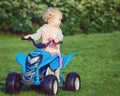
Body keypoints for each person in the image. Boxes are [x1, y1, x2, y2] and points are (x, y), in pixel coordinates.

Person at [24, 7, 63, 84]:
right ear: (51, 19)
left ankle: (57, 74)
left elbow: (60, 37)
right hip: (44, 51)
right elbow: (37, 35)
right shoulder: (43, 28)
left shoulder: (58, 30)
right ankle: (34, 75)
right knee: (36, 60)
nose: (60, 22)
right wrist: (30, 37)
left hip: (54, 52)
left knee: (56, 62)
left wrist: (57, 40)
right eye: (59, 19)